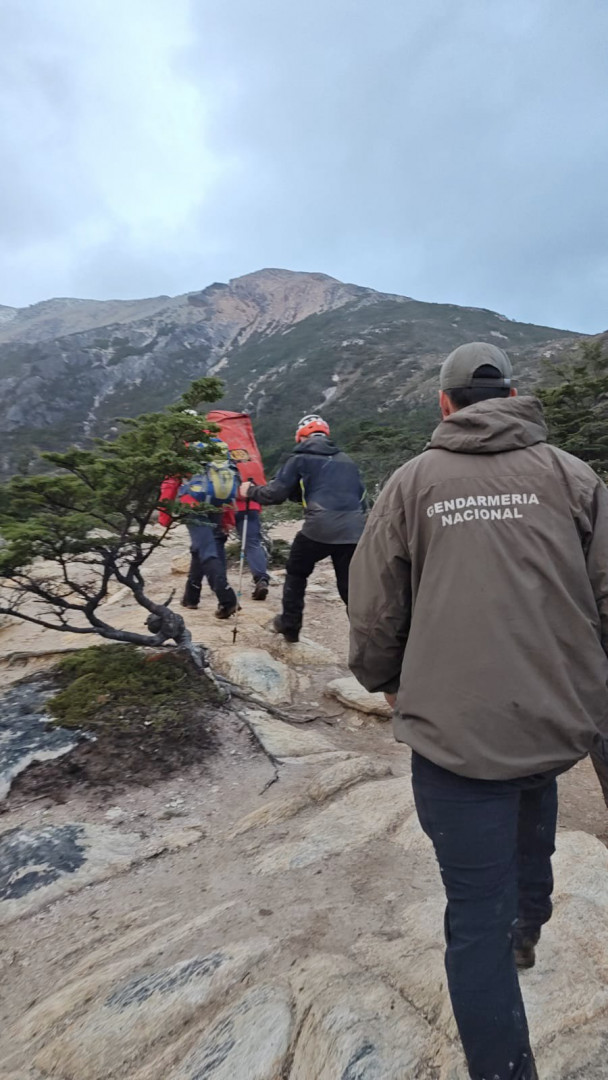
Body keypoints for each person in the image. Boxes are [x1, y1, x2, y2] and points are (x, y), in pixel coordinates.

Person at [348, 342, 608, 1080]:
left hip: (453, 733)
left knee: (473, 922)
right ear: (514, 396)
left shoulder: (411, 483)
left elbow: (374, 608)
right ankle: (529, 924)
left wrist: (383, 678)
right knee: (531, 791)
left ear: (445, 403)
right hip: (553, 715)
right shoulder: (572, 475)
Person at [239, 414, 366, 642]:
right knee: (350, 586)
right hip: (354, 529)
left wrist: (250, 491)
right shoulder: (347, 460)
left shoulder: (299, 459)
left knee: (297, 571)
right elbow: (362, 498)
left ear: (301, 437)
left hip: (319, 527)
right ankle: (366, 637)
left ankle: (290, 625)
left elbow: (275, 494)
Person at [159, 438, 238, 619]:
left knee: (207, 551)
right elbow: (224, 487)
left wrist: (164, 516)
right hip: (217, 507)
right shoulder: (217, 449)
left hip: (193, 505)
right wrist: (228, 519)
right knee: (200, 549)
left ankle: (227, 599)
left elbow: (170, 483)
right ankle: (191, 597)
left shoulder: (186, 452)